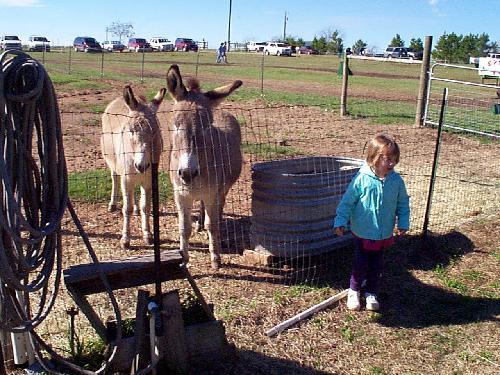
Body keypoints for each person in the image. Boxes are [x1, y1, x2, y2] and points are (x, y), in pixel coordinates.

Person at [333, 133, 410, 311]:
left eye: (394, 159)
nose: (392, 163)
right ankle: (354, 290)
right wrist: (340, 221)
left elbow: (403, 203)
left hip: (383, 232)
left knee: (376, 264)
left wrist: (403, 222)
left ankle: (371, 292)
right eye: (388, 159)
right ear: (374, 158)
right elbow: (347, 201)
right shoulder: (362, 179)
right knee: (360, 263)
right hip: (363, 231)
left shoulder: (396, 181)